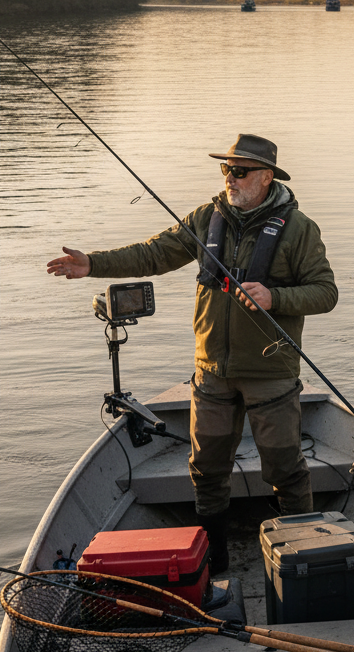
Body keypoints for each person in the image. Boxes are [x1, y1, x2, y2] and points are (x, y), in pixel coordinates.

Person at [47, 133, 338, 573]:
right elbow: (153, 254)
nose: (229, 179)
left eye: (239, 171)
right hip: (212, 371)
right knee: (205, 469)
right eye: (225, 169)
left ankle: (302, 563)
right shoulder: (206, 218)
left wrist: (276, 298)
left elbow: (326, 293)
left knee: (285, 470)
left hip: (270, 371)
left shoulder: (300, 230)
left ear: (266, 177)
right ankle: (214, 560)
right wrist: (93, 265)